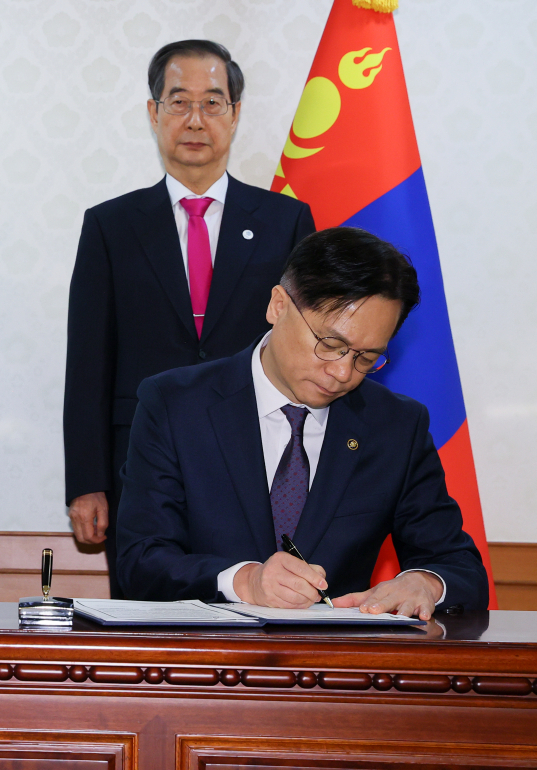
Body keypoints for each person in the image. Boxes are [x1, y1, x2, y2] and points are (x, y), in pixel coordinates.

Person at [116, 227, 489, 616]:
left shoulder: (396, 425)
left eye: (366, 358)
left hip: (337, 668)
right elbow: (141, 561)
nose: (344, 372)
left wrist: (425, 582)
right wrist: (243, 581)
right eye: (330, 345)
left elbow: (460, 567)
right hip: (208, 662)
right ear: (278, 306)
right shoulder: (175, 404)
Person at [64, 39, 315, 590]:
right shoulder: (111, 225)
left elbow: (306, 346)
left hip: (258, 452)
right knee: (149, 614)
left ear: (236, 114)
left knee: (257, 609)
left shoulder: (286, 221)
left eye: (213, 102)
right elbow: (87, 363)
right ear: (154, 114)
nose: (195, 119)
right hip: (142, 462)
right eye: (178, 102)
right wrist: (86, 482)